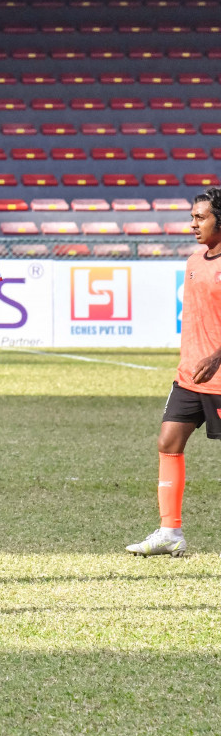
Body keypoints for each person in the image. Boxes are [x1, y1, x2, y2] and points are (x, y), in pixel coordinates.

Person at [127, 187, 221, 557]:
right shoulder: (195, 260)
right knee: (168, 442)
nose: (193, 224)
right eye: (193, 217)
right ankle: (170, 532)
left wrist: (216, 357)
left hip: (218, 376)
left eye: (202, 217)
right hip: (189, 376)